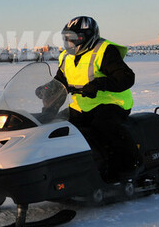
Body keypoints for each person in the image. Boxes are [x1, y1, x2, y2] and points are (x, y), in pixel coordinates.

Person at [53, 16, 139, 182]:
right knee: (57, 126)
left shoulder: (104, 50)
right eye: (67, 39)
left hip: (112, 103)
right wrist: (47, 89)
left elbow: (126, 78)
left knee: (104, 125)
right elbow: (60, 80)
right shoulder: (65, 56)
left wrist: (100, 83)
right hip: (82, 106)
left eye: (74, 39)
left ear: (88, 37)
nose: (69, 43)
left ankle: (128, 165)